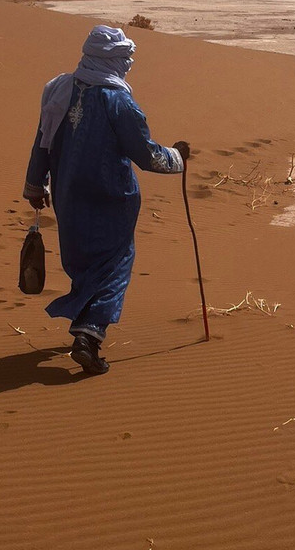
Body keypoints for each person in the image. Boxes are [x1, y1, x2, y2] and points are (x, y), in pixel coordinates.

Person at [23, 25, 190, 375]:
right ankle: (89, 334)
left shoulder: (59, 90)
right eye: (124, 57)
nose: (128, 64)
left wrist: (35, 185)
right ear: (111, 59)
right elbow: (146, 155)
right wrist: (177, 156)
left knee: (83, 261)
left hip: (68, 196)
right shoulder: (119, 102)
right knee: (115, 264)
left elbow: (42, 142)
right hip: (112, 199)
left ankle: (86, 325)